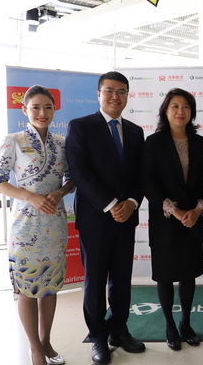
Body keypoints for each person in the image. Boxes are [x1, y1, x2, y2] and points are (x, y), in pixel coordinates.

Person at [65, 71, 145, 364]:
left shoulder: (136, 131)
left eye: (121, 91)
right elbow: (80, 173)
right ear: (98, 94)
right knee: (95, 281)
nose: (115, 96)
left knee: (122, 279)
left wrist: (132, 203)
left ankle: (119, 330)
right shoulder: (81, 126)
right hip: (96, 218)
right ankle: (98, 336)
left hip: (127, 218)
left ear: (127, 96)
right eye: (109, 90)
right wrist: (111, 204)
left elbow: (141, 174)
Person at [0, 85, 74, 365]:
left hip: (55, 223)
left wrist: (60, 193)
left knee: (49, 286)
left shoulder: (62, 143)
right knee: (26, 288)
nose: (42, 113)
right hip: (24, 225)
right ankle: (35, 348)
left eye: (48, 107)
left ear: (54, 109)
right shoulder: (13, 140)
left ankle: (46, 341)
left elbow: (72, 179)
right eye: (35, 107)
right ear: (24, 109)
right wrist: (30, 197)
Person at [142, 88, 203, 351]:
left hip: (193, 220)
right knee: (165, 275)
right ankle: (170, 324)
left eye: (186, 107)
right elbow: (149, 183)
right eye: (175, 106)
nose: (180, 111)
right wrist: (177, 212)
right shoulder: (154, 142)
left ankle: (186, 322)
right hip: (166, 220)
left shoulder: (200, 142)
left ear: (192, 112)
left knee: (188, 274)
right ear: (165, 111)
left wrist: (198, 210)